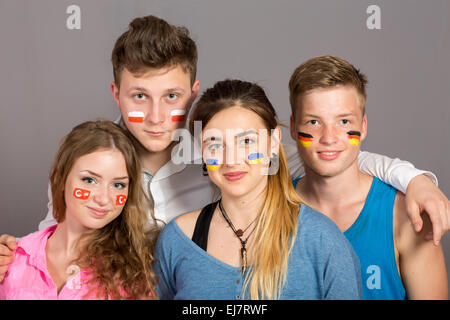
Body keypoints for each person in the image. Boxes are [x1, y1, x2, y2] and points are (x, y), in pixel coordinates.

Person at [1, 15, 449, 282]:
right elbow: (57, 236)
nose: (157, 116)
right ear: (115, 93)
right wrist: (16, 254)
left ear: (194, 93)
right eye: (140, 96)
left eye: (172, 97)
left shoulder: (221, 150)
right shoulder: (90, 165)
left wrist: (414, 180)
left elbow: (325, 150)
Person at [154, 79, 362, 299]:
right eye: (214, 144)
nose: (231, 160)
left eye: (246, 142)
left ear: (273, 143)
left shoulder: (321, 240)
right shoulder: (176, 241)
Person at [288, 55, 448, 299]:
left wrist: (417, 179)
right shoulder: (268, 210)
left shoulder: (406, 217)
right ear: (293, 127)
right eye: (313, 122)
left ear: (363, 126)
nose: (329, 137)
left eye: (344, 121)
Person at [0, 121, 159, 299]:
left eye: (118, 184)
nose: (103, 199)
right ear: (59, 179)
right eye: (89, 180)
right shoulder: (11, 258)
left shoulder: (134, 273)